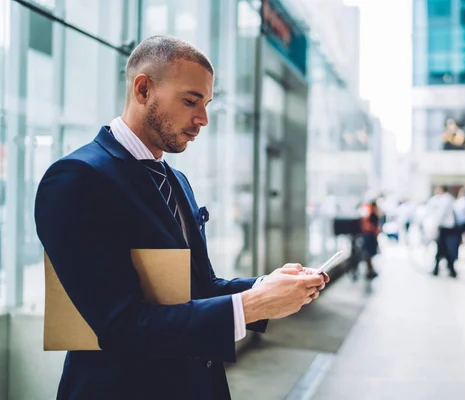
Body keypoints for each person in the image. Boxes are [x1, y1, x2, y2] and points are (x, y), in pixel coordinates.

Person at [34, 36, 328, 400]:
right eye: (191, 101)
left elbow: (196, 289)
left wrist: (267, 285)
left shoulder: (176, 180)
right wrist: (253, 305)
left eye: (206, 103)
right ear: (143, 89)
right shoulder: (78, 179)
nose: (202, 119)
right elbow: (120, 325)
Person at [428, 186, 459, 278]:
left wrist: (435, 226)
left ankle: (440, 269)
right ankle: (446, 269)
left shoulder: (445, 200)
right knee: (443, 249)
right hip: (447, 228)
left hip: (446, 228)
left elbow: (441, 214)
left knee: (443, 248)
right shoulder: (447, 199)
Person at [360, 199, 381, 279]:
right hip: (369, 235)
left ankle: (370, 269)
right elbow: (369, 225)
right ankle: (370, 270)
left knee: (369, 254)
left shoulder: (370, 212)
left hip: (370, 235)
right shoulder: (370, 212)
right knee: (368, 254)